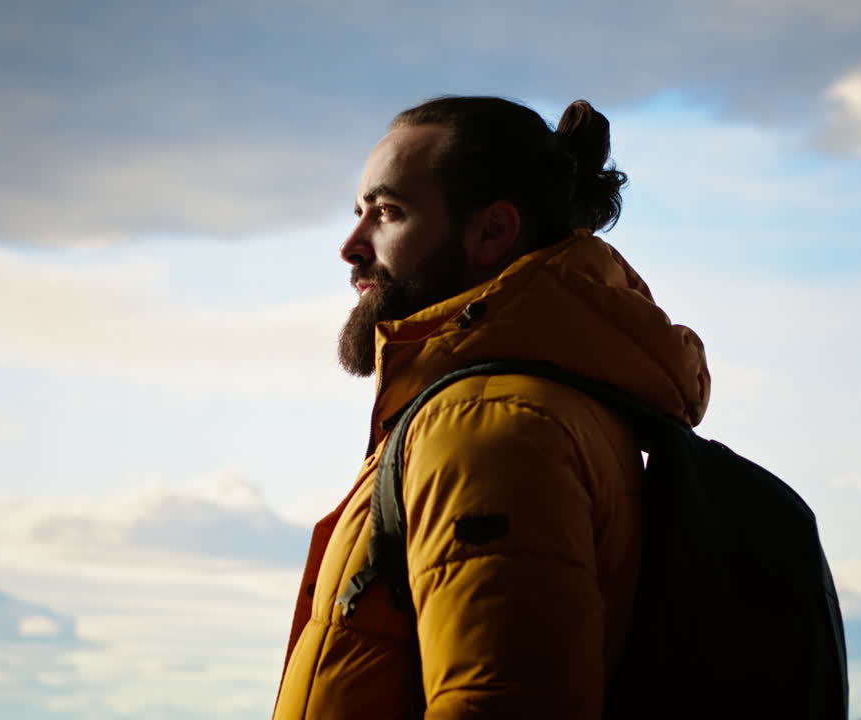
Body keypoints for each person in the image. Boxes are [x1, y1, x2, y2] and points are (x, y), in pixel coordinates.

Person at [272, 96, 710, 719]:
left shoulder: (486, 427)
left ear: (493, 232)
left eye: (389, 212)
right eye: (359, 212)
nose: (351, 245)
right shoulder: (535, 404)